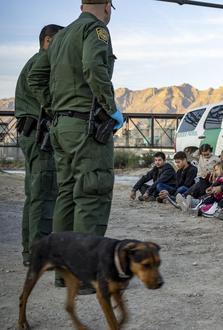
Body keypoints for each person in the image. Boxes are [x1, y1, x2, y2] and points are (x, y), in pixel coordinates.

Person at [27, 0, 121, 293]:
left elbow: (34, 76)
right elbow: (94, 67)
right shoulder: (95, 30)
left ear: (82, 4)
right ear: (107, 6)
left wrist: (55, 106)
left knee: (66, 195)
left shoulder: (61, 36)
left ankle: (63, 273)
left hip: (61, 127)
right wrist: (109, 106)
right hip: (86, 127)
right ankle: (84, 277)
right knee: (92, 192)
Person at [15, 24, 63, 266]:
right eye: (60, 41)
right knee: (44, 194)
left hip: (33, 134)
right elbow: (43, 91)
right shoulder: (42, 62)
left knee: (35, 195)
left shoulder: (37, 61)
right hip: (38, 137)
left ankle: (31, 251)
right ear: (48, 40)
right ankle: (38, 253)